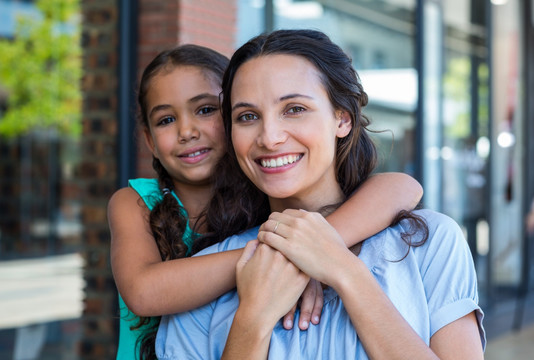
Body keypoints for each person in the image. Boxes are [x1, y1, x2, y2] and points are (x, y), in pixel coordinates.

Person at [155, 30, 486, 359]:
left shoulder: (428, 242)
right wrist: (252, 319)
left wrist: (344, 270)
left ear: (342, 118)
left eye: (295, 109)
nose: (269, 137)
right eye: (248, 117)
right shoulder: (205, 279)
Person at [108, 44, 424, 360]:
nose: (186, 131)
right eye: (165, 120)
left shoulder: (269, 185)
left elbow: (402, 187)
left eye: (205, 110)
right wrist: (286, 254)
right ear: (149, 140)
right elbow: (143, 292)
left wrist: (318, 250)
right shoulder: (136, 202)